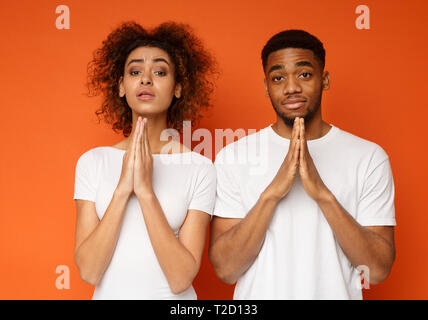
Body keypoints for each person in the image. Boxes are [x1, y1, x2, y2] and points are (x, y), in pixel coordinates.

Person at [209, 29, 396, 299]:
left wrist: (322, 194)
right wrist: (272, 194)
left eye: (304, 74)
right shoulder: (234, 156)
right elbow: (226, 269)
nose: (291, 87)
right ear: (266, 87)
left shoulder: (368, 157)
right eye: (278, 77)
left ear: (325, 79)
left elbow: (376, 271)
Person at [73, 21, 217, 299]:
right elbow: (89, 272)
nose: (146, 79)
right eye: (135, 71)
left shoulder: (200, 169)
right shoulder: (93, 162)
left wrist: (146, 192)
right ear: (121, 87)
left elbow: (181, 278)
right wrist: (123, 189)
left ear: (177, 88)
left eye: (160, 72)